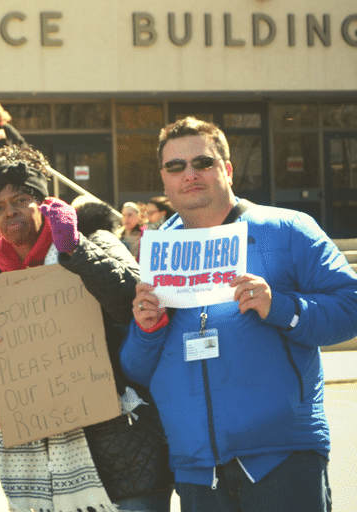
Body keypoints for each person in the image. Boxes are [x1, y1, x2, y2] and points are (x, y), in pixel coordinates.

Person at [122, 117, 357, 512]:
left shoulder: (288, 229)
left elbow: (351, 307)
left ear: (227, 169)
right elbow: (137, 371)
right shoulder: (154, 253)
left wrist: (280, 306)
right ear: (164, 181)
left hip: (282, 459)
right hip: (197, 471)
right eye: (175, 167)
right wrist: (146, 330)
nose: (190, 175)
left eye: (203, 163)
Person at [0, 144, 173, 512]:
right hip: (46, 461)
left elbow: (136, 304)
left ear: (44, 202)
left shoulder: (95, 241)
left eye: (19, 199)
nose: (10, 211)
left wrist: (75, 249)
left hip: (125, 448)